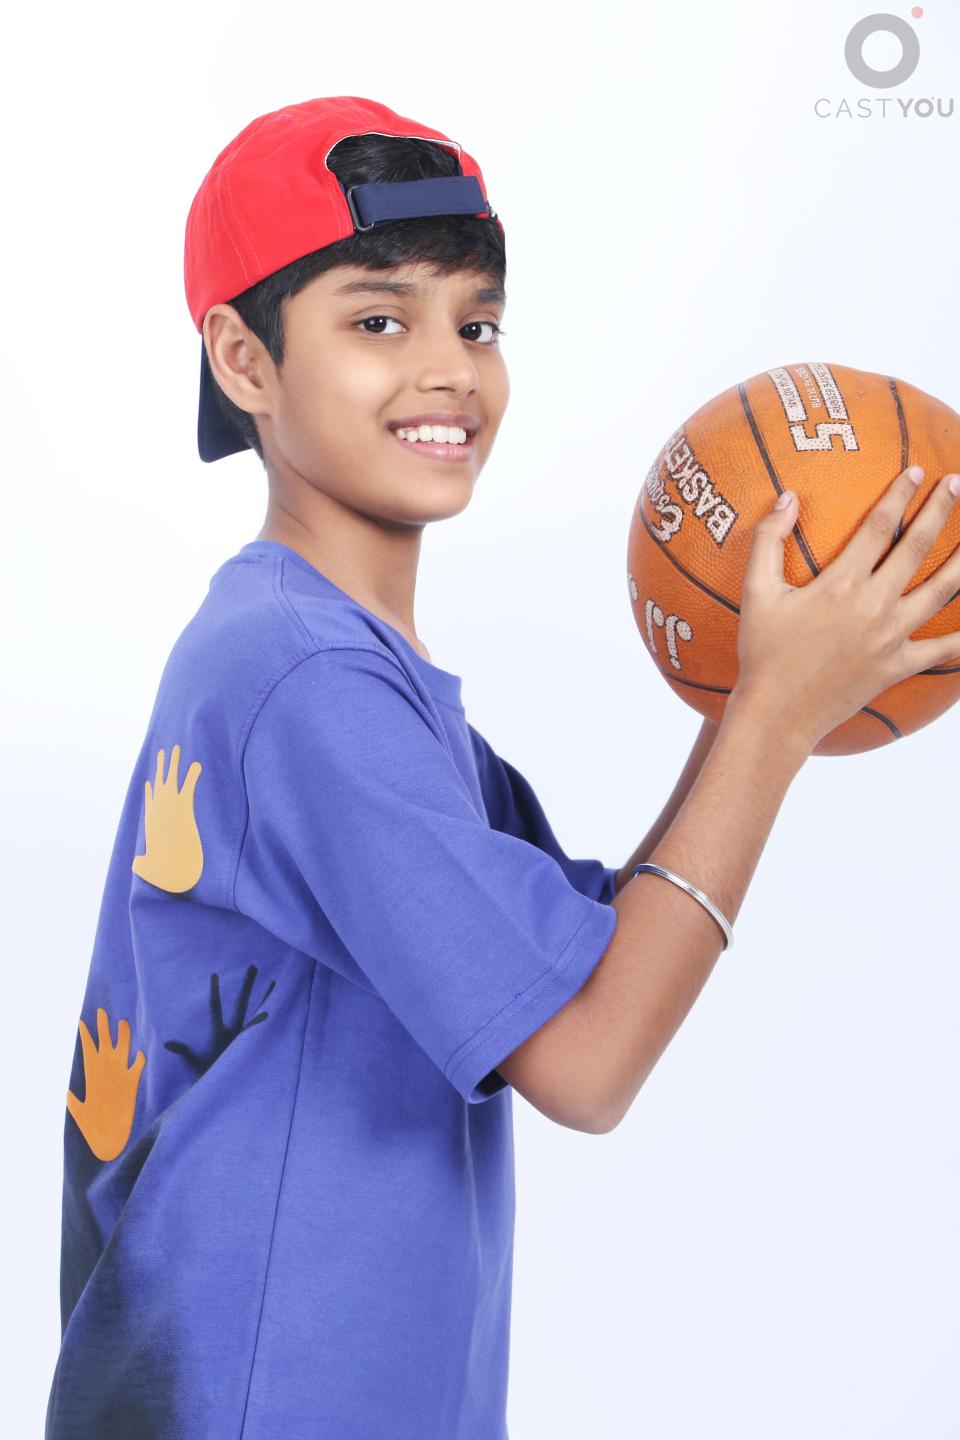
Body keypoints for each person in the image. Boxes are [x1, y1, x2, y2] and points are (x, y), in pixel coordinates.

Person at [44, 94, 960, 1440]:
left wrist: (764, 686)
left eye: (477, 324)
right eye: (378, 322)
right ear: (244, 360)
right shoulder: (301, 679)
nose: (449, 370)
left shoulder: (345, 667)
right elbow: (588, 1061)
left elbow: (597, 963)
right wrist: (772, 717)